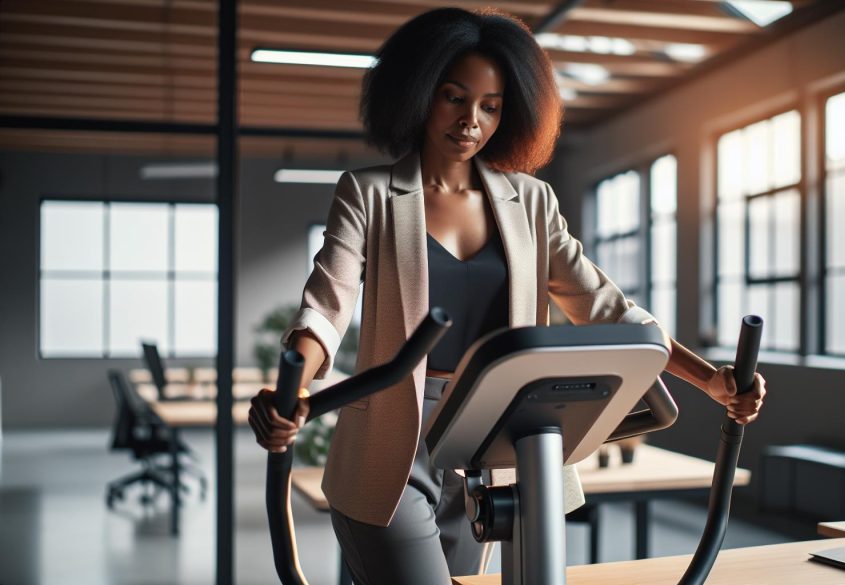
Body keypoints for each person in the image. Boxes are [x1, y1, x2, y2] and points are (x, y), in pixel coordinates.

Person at [248, 7, 766, 585]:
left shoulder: (532, 202)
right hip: (391, 444)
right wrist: (291, 384)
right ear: (420, 94)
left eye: (490, 106)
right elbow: (326, 304)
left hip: (495, 438)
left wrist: (712, 382)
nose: (471, 120)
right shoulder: (368, 194)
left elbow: (609, 310)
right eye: (454, 97)